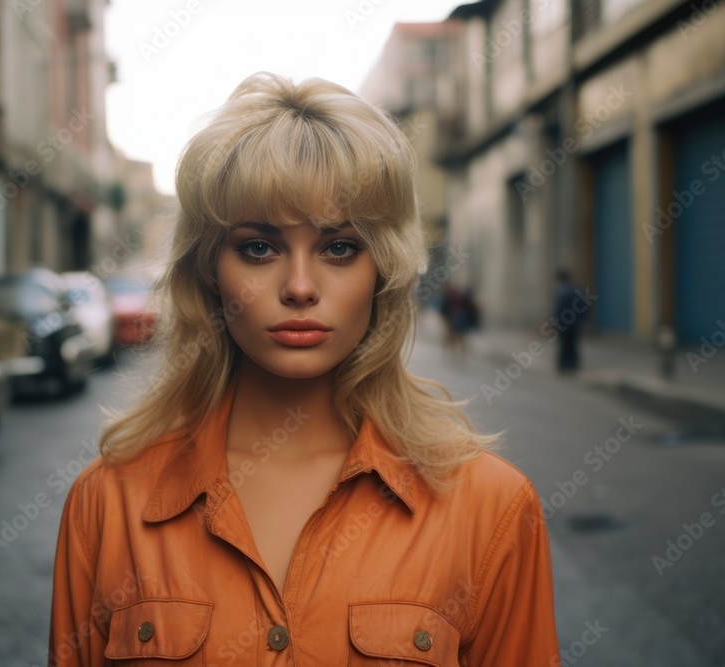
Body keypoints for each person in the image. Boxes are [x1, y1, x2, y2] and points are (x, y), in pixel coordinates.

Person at [48, 72, 559, 666]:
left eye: (339, 247)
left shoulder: (490, 506)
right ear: (209, 270)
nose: (298, 287)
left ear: (383, 270)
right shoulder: (107, 503)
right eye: (258, 247)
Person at [552, 269, 588, 373]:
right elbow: (584, 306)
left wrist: (555, 322)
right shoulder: (577, 289)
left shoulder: (560, 290)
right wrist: (583, 320)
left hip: (563, 322)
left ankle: (563, 365)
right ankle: (574, 364)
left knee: (564, 344)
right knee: (573, 343)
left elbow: (558, 308)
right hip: (576, 323)